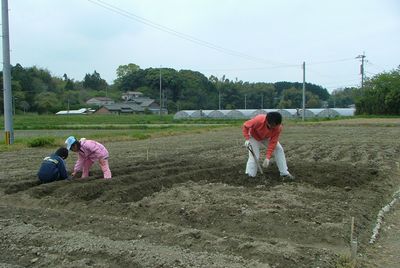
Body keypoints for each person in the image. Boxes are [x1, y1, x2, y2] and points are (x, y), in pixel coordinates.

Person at [242, 111, 294, 179]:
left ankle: (284, 173)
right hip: (253, 137)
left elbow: (273, 142)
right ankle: (250, 175)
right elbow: (245, 126)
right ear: (267, 121)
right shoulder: (258, 120)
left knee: (278, 149)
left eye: (276, 126)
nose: (274, 127)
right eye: (272, 125)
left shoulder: (278, 128)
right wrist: (247, 139)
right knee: (254, 156)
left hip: (266, 137)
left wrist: (267, 157)